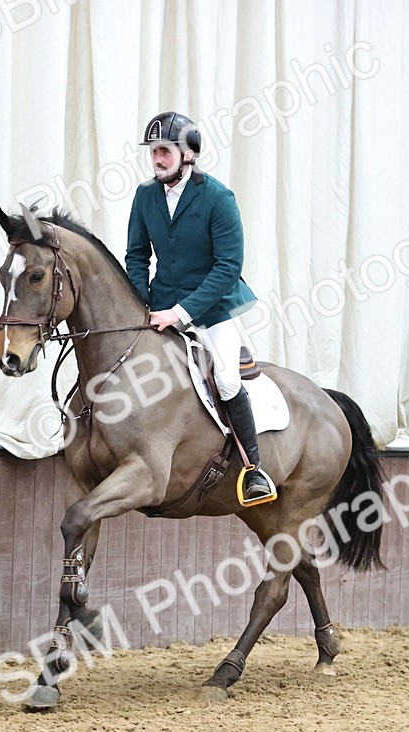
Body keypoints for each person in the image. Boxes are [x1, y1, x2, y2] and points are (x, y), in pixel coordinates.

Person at [125, 111, 276, 505]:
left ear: (187, 154)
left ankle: (253, 469)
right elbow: (137, 256)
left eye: (164, 152)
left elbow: (229, 267)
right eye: (153, 152)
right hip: (159, 305)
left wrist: (182, 313)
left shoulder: (217, 197)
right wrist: (142, 303)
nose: (156, 159)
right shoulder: (145, 196)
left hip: (211, 308)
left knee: (226, 379)